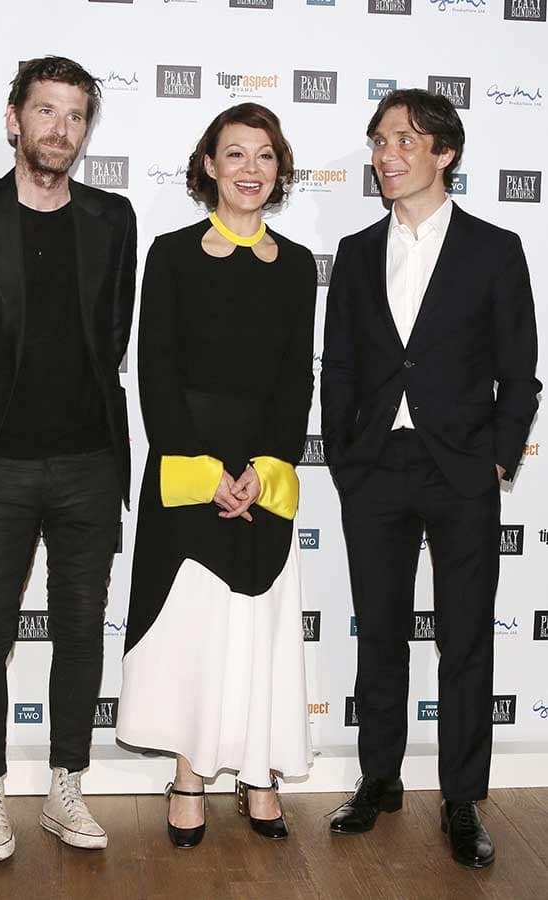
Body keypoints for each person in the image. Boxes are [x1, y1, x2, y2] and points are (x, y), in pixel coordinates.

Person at [0, 56, 136, 863]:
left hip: (89, 461)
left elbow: (112, 334)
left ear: (86, 129)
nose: (60, 129)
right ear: (15, 119)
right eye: (45, 111)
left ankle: (64, 789)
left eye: (75, 115)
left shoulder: (113, 219)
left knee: (82, 632)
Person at [321, 88, 540, 868]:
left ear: (444, 153)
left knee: (466, 640)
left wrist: (496, 456)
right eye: (380, 140)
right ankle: (378, 777)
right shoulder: (353, 251)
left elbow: (521, 372)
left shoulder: (495, 248)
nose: (386, 155)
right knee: (378, 631)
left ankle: (461, 800)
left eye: (404, 141)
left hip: (461, 469)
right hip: (376, 465)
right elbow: (339, 365)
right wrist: (346, 457)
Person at [116, 103, 316, 848]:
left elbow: (298, 380)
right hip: (187, 467)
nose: (250, 170)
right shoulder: (169, 253)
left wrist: (261, 473)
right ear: (209, 166)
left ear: (279, 169)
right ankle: (190, 778)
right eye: (235, 155)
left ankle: (259, 774)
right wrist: (208, 472)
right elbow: (156, 375)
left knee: (257, 627)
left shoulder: (297, 265)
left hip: (265, 474)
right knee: (194, 632)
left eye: (265, 156)